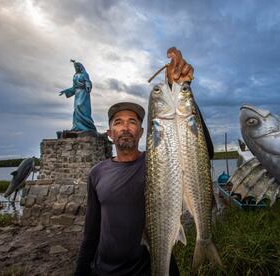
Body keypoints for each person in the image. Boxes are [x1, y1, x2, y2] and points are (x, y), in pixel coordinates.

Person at [74, 48, 213, 275]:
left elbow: (200, 149)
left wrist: (182, 90)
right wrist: (81, 271)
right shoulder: (97, 173)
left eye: (132, 122)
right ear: (110, 132)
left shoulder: (160, 161)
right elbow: (91, 232)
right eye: (118, 122)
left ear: (141, 131)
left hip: (154, 264)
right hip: (105, 271)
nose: (126, 127)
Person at [59, 60, 97, 132]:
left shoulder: (85, 74)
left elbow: (88, 81)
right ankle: (77, 126)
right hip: (77, 93)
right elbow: (74, 87)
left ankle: (86, 126)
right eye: (75, 67)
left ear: (80, 67)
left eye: (77, 66)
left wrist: (88, 85)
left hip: (84, 93)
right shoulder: (75, 76)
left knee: (81, 106)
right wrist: (65, 91)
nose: (76, 68)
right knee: (76, 109)